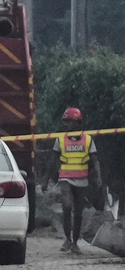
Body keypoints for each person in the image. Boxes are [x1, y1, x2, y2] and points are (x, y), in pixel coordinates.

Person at [44, 107, 102, 254]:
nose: (66, 125)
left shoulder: (88, 139)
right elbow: (53, 160)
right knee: (67, 206)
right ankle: (67, 239)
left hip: (82, 180)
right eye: (65, 122)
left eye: (69, 122)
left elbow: (95, 160)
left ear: (77, 123)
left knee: (78, 212)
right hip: (65, 178)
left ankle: (75, 242)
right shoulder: (60, 139)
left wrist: (98, 177)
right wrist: (45, 179)